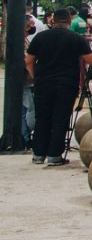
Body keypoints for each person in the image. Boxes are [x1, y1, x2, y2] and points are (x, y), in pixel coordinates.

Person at [26, 8, 92, 165]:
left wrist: (36, 77)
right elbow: (91, 60)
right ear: (69, 21)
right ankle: (54, 156)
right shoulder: (76, 38)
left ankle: (38, 154)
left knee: (42, 118)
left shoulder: (40, 37)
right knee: (60, 118)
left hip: (43, 84)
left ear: (53, 21)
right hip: (66, 85)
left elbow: (29, 61)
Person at [21, 13, 47, 145]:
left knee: (25, 110)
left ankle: (24, 136)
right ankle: (24, 137)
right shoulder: (20, 41)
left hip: (28, 81)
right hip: (26, 81)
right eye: (30, 25)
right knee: (30, 109)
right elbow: (27, 61)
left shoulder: (26, 40)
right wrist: (34, 76)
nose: (33, 26)